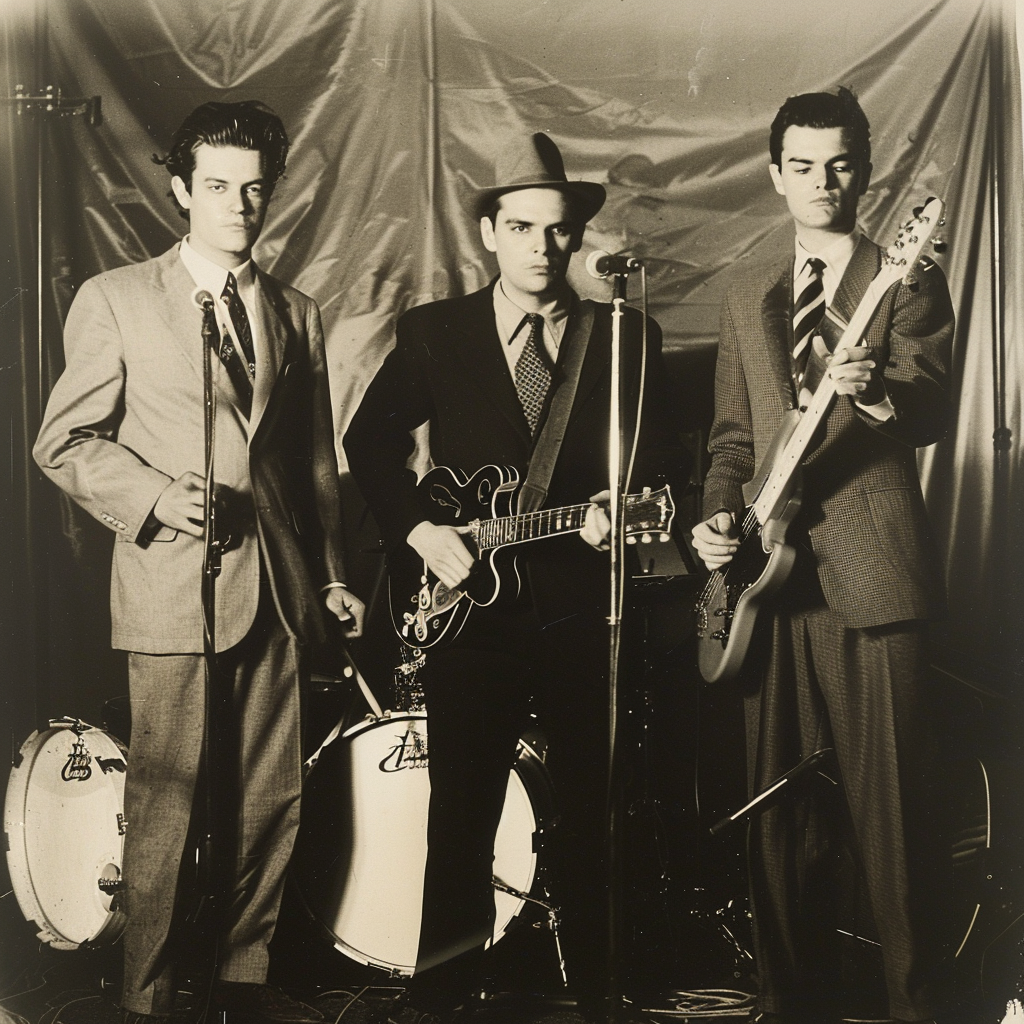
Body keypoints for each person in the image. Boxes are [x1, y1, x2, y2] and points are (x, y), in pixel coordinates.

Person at [34, 101, 366, 1024]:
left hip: (284, 591)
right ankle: (146, 1001)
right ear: (180, 190)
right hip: (172, 583)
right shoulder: (114, 299)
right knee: (168, 801)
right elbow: (63, 442)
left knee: (271, 800)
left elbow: (312, 467)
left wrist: (334, 574)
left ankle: (237, 987)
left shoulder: (297, 311)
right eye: (217, 187)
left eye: (254, 189)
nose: (238, 206)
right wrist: (149, 496)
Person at [344, 132, 685, 1023]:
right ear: (489, 232)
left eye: (559, 230)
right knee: (459, 814)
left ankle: (600, 994)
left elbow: (654, 476)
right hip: (469, 614)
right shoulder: (435, 332)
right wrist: (420, 530)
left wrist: (619, 521)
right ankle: (441, 1000)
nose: (542, 247)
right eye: (522, 226)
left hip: (582, 607)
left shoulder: (626, 336)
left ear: (578, 239)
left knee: (591, 808)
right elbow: (368, 444)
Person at [691, 89, 955, 1024]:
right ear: (775, 176)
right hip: (769, 583)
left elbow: (929, 407)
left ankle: (918, 1009)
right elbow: (731, 438)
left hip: (874, 575)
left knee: (896, 822)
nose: (823, 182)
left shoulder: (907, 278)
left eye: (840, 163)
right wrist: (718, 519)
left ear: (866, 169)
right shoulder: (747, 286)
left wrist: (876, 393)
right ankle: (785, 1005)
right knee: (778, 819)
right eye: (802, 165)